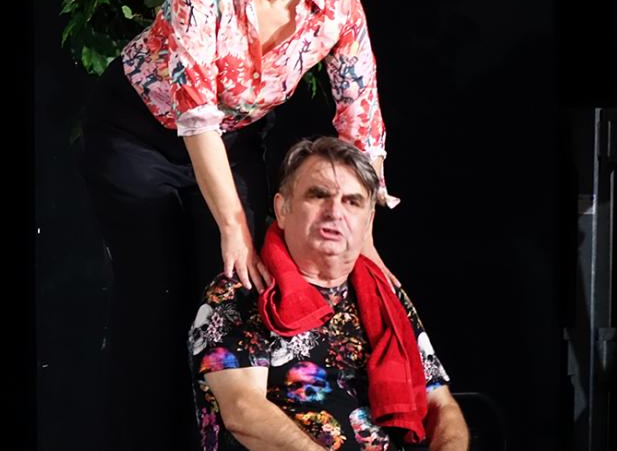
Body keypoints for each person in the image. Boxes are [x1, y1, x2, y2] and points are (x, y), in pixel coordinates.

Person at [82, 0, 396, 446]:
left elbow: (359, 113)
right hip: (139, 134)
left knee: (240, 294)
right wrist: (231, 226)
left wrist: (365, 236)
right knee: (155, 298)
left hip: (233, 140)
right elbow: (196, 114)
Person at [188, 137, 467, 451]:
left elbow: (441, 404)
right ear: (282, 209)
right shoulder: (240, 292)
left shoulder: (386, 296)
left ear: (368, 222)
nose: (335, 212)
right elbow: (244, 412)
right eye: (318, 195)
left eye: (352, 202)